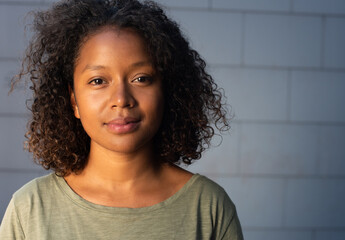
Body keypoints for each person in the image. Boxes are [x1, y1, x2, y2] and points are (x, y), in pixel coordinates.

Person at [0, 0, 243, 239]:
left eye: (141, 78)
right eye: (98, 81)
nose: (121, 99)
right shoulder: (29, 210)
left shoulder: (209, 207)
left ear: (167, 91)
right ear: (73, 101)